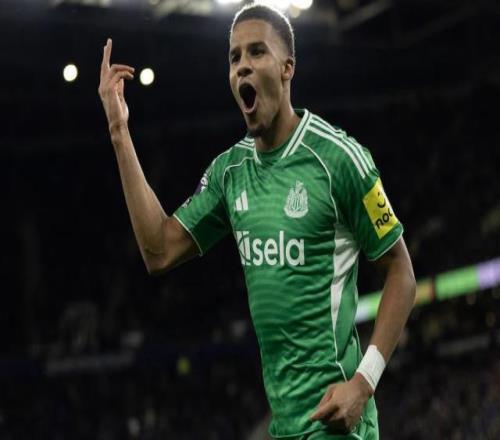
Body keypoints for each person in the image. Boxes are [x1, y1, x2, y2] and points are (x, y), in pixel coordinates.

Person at [98, 3, 416, 439]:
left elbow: (401, 272)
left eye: (256, 52)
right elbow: (159, 250)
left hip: (339, 425)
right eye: (234, 58)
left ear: (287, 68)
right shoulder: (230, 173)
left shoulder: (339, 160)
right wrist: (119, 134)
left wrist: (363, 383)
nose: (242, 66)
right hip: (284, 427)